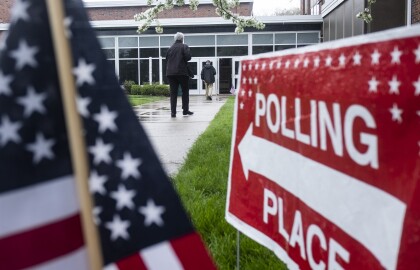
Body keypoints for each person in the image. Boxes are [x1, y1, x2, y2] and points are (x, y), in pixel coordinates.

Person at [165, 32, 193, 117]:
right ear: (182, 39)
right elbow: (188, 57)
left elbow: (166, 59)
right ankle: (185, 110)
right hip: (182, 72)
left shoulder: (170, 48)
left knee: (173, 93)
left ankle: (173, 112)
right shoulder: (184, 46)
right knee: (185, 91)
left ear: (175, 39)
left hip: (170, 73)